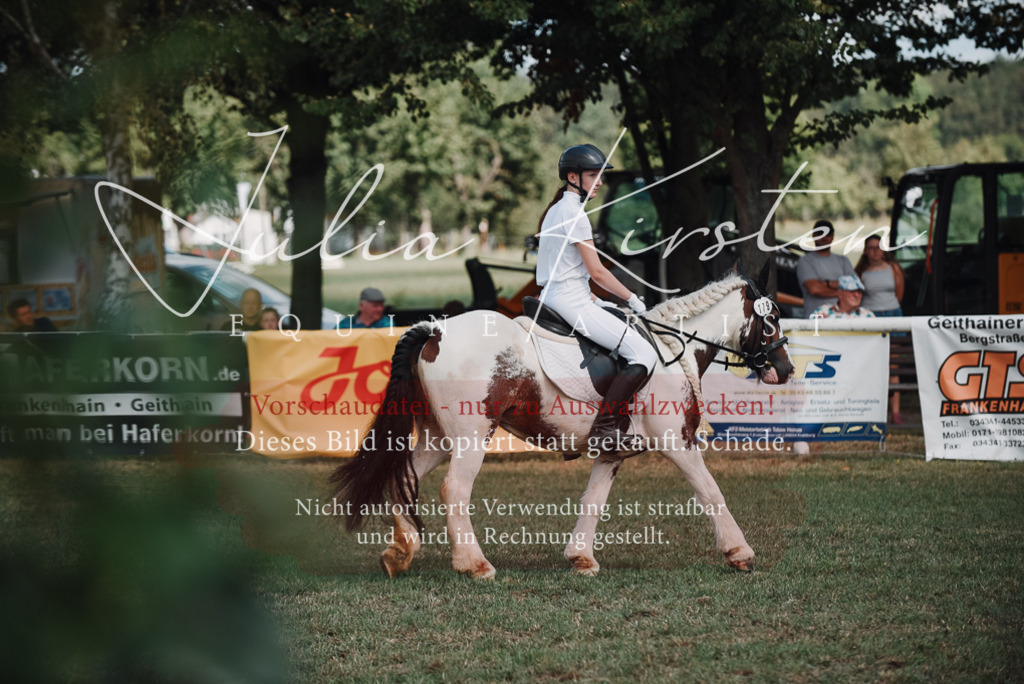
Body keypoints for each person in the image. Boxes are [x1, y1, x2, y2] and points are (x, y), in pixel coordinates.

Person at [535, 143, 658, 453]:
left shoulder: (555, 210)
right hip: (569, 302)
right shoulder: (574, 213)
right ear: (573, 177)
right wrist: (633, 298)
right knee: (644, 355)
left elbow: (565, 268)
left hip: (561, 296)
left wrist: (594, 298)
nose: (600, 181)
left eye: (601, 174)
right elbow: (598, 272)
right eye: (594, 174)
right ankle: (606, 429)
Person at [855, 234, 906, 422]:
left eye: (878, 247)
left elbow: (899, 293)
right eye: (871, 248)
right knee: (872, 364)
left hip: (893, 316)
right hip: (870, 318)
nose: (875, 251)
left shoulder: (894, 268)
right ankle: (873, 409)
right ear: (866, 251)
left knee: (893, 365)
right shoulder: (861, 271)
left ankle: (895, 412)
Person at [796, 220, 857, 316]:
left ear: (832, 237)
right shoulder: (805, 261)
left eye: (828, 234)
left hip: (843, 318)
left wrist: (826, 283)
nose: (824, 237)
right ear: (814, 235)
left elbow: (854, 285)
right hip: (816, 318)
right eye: (820, 233)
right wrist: (841, 291)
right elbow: (814, 289)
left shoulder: (843, 260)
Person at [809, 275, 876, 319]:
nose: (856, 295)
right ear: (839, 294)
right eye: (852, 291)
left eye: (859, 292)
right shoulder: (823, 311)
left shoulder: (867, 315)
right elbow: (809, 334)